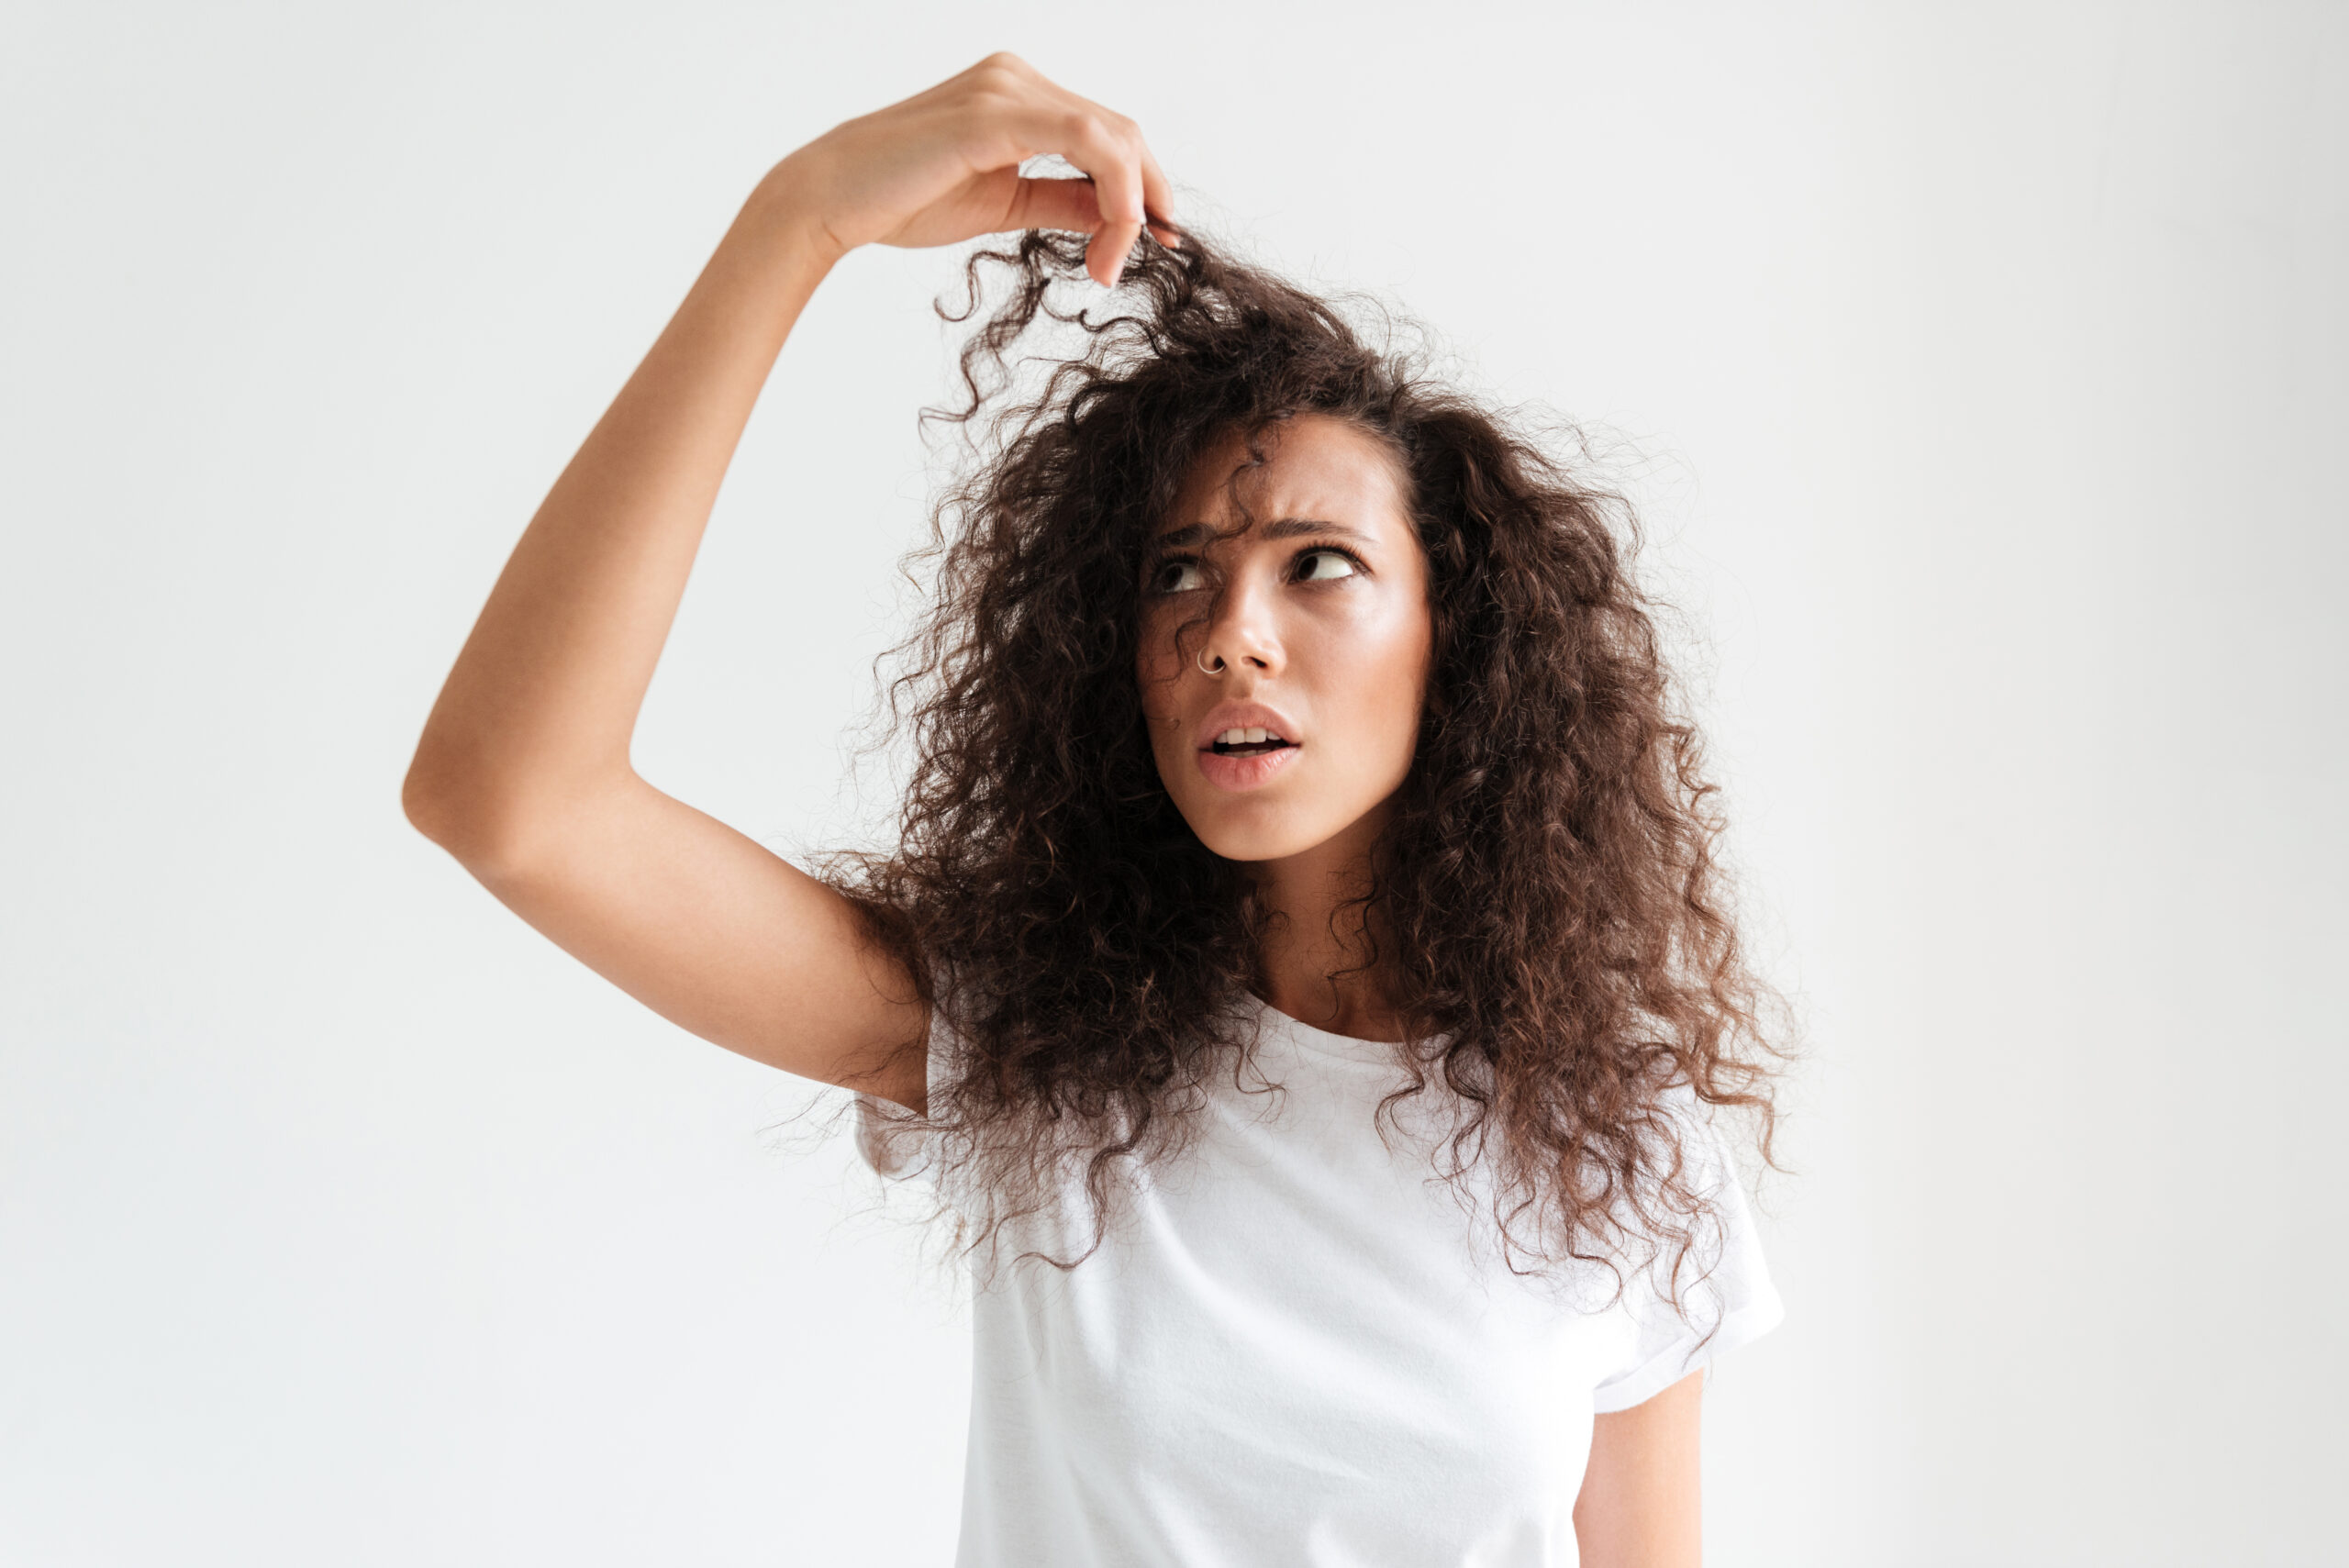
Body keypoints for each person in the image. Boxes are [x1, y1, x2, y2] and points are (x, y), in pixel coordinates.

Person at [403, 52, 1787, 1568]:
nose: (1229, 631)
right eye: (1178, 572)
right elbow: (514, 800)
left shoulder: (1620, 1147)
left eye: (1316, 565)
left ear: (1460, 642)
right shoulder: (1037, 1039)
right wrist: (792, 226)